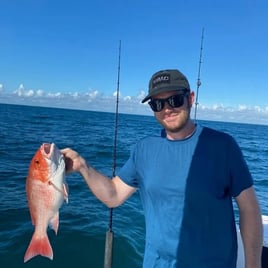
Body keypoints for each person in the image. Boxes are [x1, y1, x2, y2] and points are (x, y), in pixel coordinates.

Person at [61, 69, 263, 267]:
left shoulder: (223, 146)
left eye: (175, 100)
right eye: (157, 104)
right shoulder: (143, 150)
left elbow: (249, 208)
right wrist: (82, 165)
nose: (167, 109)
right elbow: (113, 195)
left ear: (190, 98)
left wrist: (253, 265)